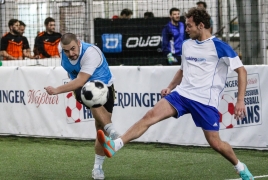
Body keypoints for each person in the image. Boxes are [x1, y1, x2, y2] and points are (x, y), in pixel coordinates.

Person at [97, 7, 254, 180]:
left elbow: (242, 71)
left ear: (201, 26)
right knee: (150, 115)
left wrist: (240, 101)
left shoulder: (221, 47)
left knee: (215, 143)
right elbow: (182, 70)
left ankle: (240, 167)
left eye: (189, 25)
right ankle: (116, 145)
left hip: (205, 101)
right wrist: (170, 87)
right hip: (182, 94)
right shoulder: (187, 45)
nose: (186, 29)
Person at [44, 33, 120, 180]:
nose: (70, 53)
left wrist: (56, 90)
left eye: (73, 49)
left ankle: (97, 167)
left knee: (100, 129)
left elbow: (80, 80)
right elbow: (79, 83)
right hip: (84, 88)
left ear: (79, 43)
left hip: (105, 87)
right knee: (90, 93)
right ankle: (113, 132)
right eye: (66, 51)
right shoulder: (62, 51)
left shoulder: (90, 53)